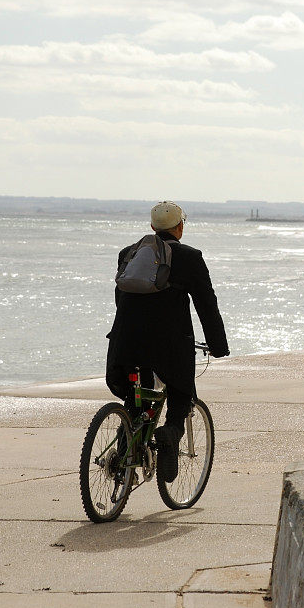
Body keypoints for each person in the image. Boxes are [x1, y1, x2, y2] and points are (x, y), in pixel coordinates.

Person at [106, 200, 229, 482]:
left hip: (124, 341)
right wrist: (218, 346)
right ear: (180, 227)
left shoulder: (129, 253)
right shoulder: (190, 257)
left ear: (152, 226)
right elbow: (206, 305)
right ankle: (171, 433)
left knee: (135, 398)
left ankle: (122, 461)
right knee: (181, 393)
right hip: (169, 343)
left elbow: (121, 299)